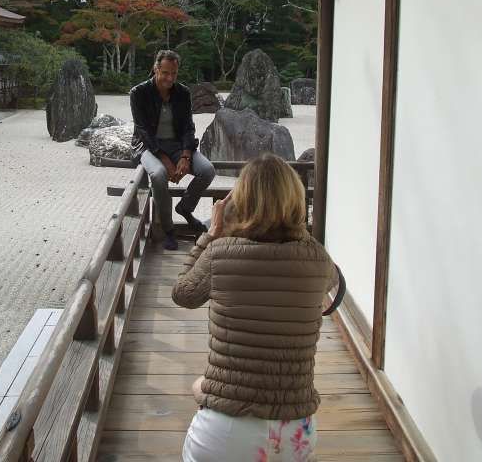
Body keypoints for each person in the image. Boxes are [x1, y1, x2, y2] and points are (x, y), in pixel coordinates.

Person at [172, 153, 339, 462]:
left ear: (241, 200)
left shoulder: (220, 253)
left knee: (201, 387)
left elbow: (183, 294)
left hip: (225, 432)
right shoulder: (318, 259)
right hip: (294, 433)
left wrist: (210, 235)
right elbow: (331, 281)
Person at [130, 50, 216, 250]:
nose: (170, 78)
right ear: (156, 69)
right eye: (166, 73)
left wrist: (186, 156)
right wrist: (163, 158)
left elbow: (188, 126)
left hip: (177, 145)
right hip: (147, 145)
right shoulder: (139, 93)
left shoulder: (183, 93)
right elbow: (142, 129)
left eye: (174, 74)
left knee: (207, 170)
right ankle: (169, 230)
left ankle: (185, 208)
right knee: (159, 174)